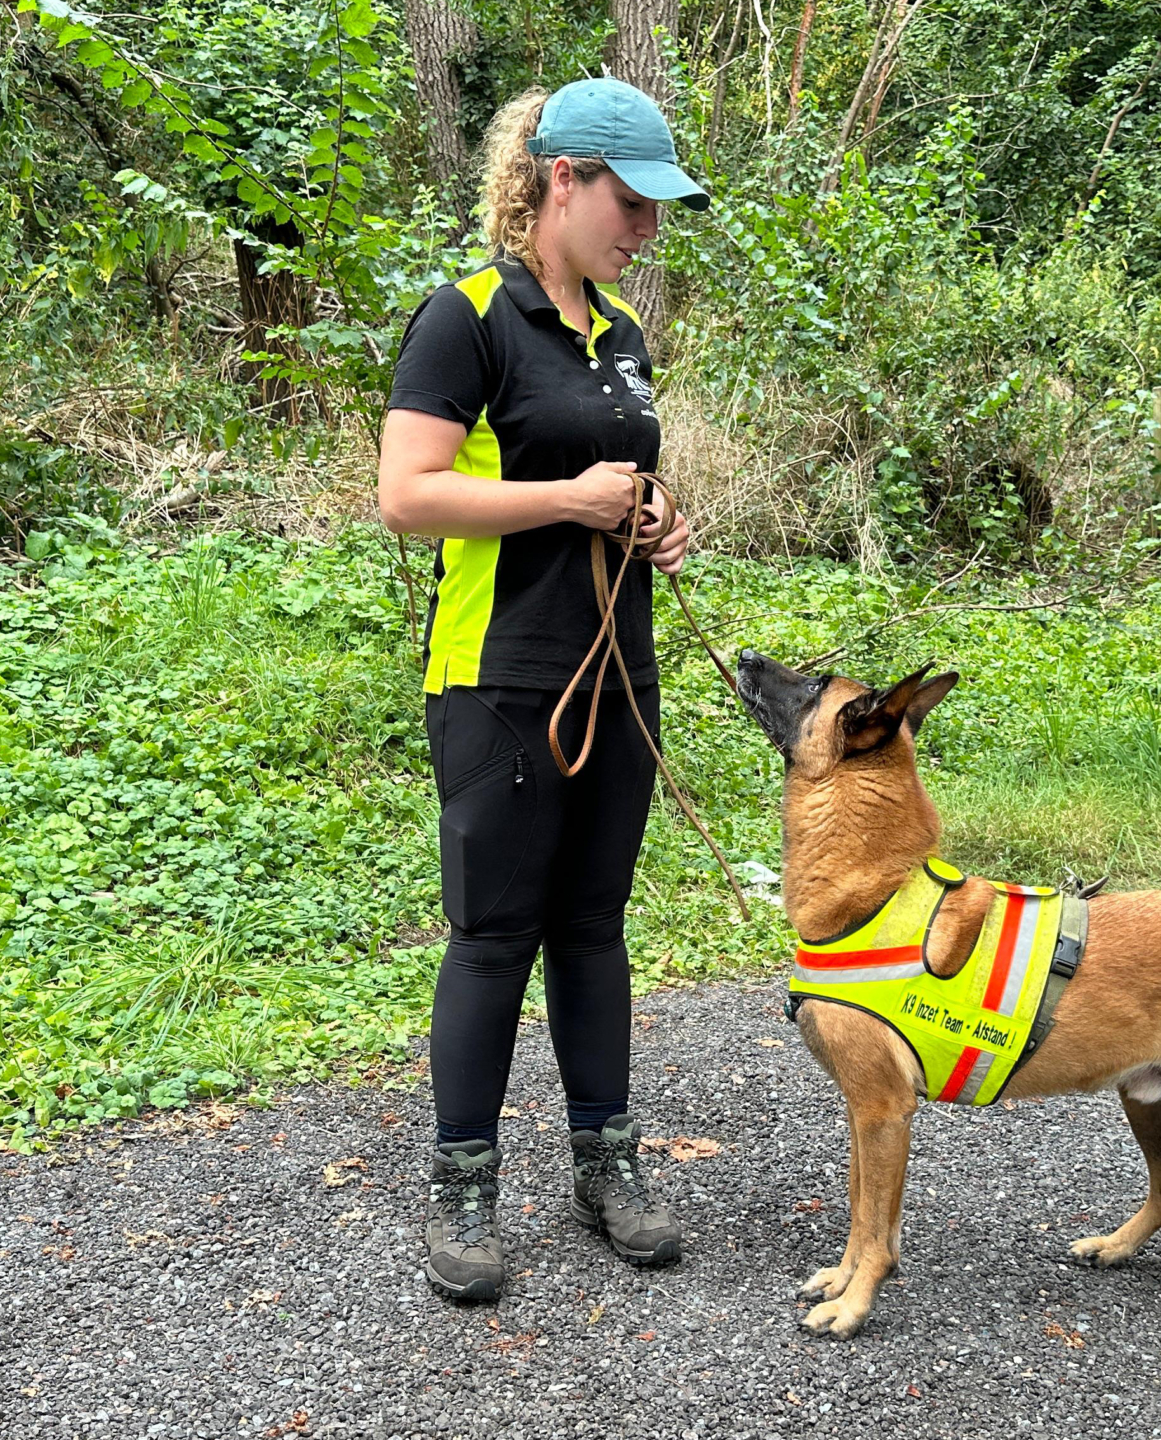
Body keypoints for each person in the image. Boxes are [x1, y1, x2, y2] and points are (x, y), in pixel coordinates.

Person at [376, 76, 711, 1302]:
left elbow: (617, 475)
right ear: (558, 180)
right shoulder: (465, 317)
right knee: (493, 937)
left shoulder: (616, 329)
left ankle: (605, 1162)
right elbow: (408, 496)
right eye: (631, 203)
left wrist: (658, 518)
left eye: (658, 212)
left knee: (593, 927)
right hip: (499, 680)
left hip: (617, 672)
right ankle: (463, 1189)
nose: (645, 230)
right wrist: (569, 501)